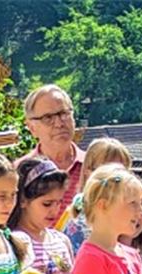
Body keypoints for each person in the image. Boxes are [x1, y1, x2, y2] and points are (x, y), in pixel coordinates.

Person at [18, 84, 85, 217]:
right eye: (48, 118)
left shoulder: (95, 167)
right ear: (32, 128)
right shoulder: (20, 174)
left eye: (64, 114)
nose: (59, 123)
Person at [62, 138, 132, 253]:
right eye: (106, 171)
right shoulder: (80, 220)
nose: (115, 179)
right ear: (87, 171)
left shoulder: (131, 212)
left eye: (122, 172)